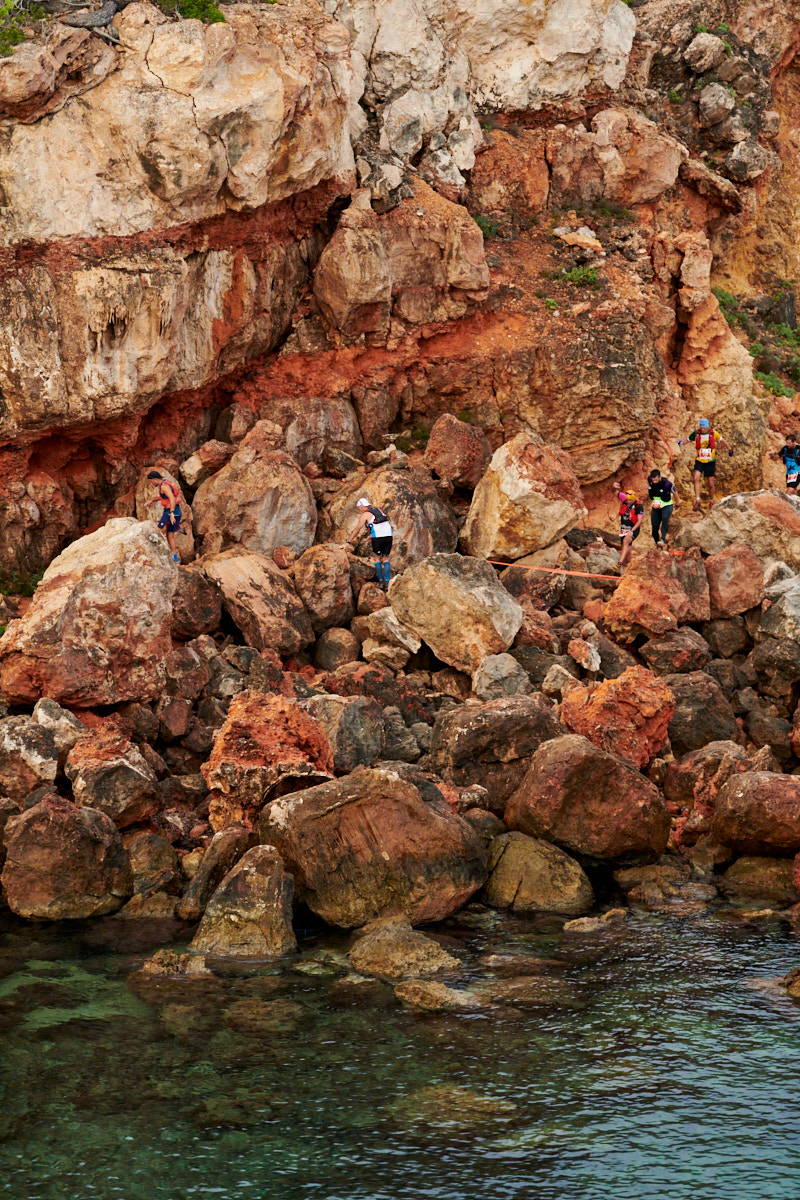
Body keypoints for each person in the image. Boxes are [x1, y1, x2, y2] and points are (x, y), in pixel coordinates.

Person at [677, 417, 733, 511]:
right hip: (699, 460)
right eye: (701, 427)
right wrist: (681, 442)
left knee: (711, 483)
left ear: (707, 427)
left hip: (710, 461)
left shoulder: (713, 433)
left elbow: (722, 441)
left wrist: (730, 449)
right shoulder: (696, 433)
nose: (702, 429)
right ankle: (697, 500)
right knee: (696, 478)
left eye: (704, 428)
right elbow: (688, 439)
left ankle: (711, 501)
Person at [346, 497, 393, 591]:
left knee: (377, 558)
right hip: (388, 535)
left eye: (359, 507)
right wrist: (372, 535)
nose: (359, 509)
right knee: (386, 558)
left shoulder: (365, 515)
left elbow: (357, 529)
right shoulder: (378, 510)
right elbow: (382, 524)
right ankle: (387, 582)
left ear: (363, 507)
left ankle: (380, 582)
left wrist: (348, 541)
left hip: (378, 538)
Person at [147, 470, 181, 563]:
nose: (151, 483)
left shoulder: (164, 486)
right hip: (177, 512)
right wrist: (151, 500)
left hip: (170, 512)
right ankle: (175, 560)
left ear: (155, 479)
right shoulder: (165, 483)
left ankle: (158, 556)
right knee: (170, 535)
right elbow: (163, 497)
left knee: (160, 532)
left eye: (151, 481)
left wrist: (172, 513)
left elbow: (172, 498)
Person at [615, 486, 644, 571]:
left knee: (626, 541)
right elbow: (615, 492)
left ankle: (619, 564)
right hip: (623, 530)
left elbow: (639, 521)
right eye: (627, 500)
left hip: (633, 530)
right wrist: (614, 487)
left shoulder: (639, 506)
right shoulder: (625, 499)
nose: (628, 501)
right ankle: (635, 568)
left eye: (630, 500)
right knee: (628, 555)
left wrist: (632, 530)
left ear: (634, 499)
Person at [647, 469, 676, 548]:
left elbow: (675, 492)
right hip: (656, 506)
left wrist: (678, 503)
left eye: (656, 480)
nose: (655, 482)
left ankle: (663, 539)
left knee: (665, 518)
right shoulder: (650, 480)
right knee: (654, 526)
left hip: (667, 504)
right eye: (653, 480)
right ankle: (658, 543)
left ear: (660, 477)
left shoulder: (667, 484)